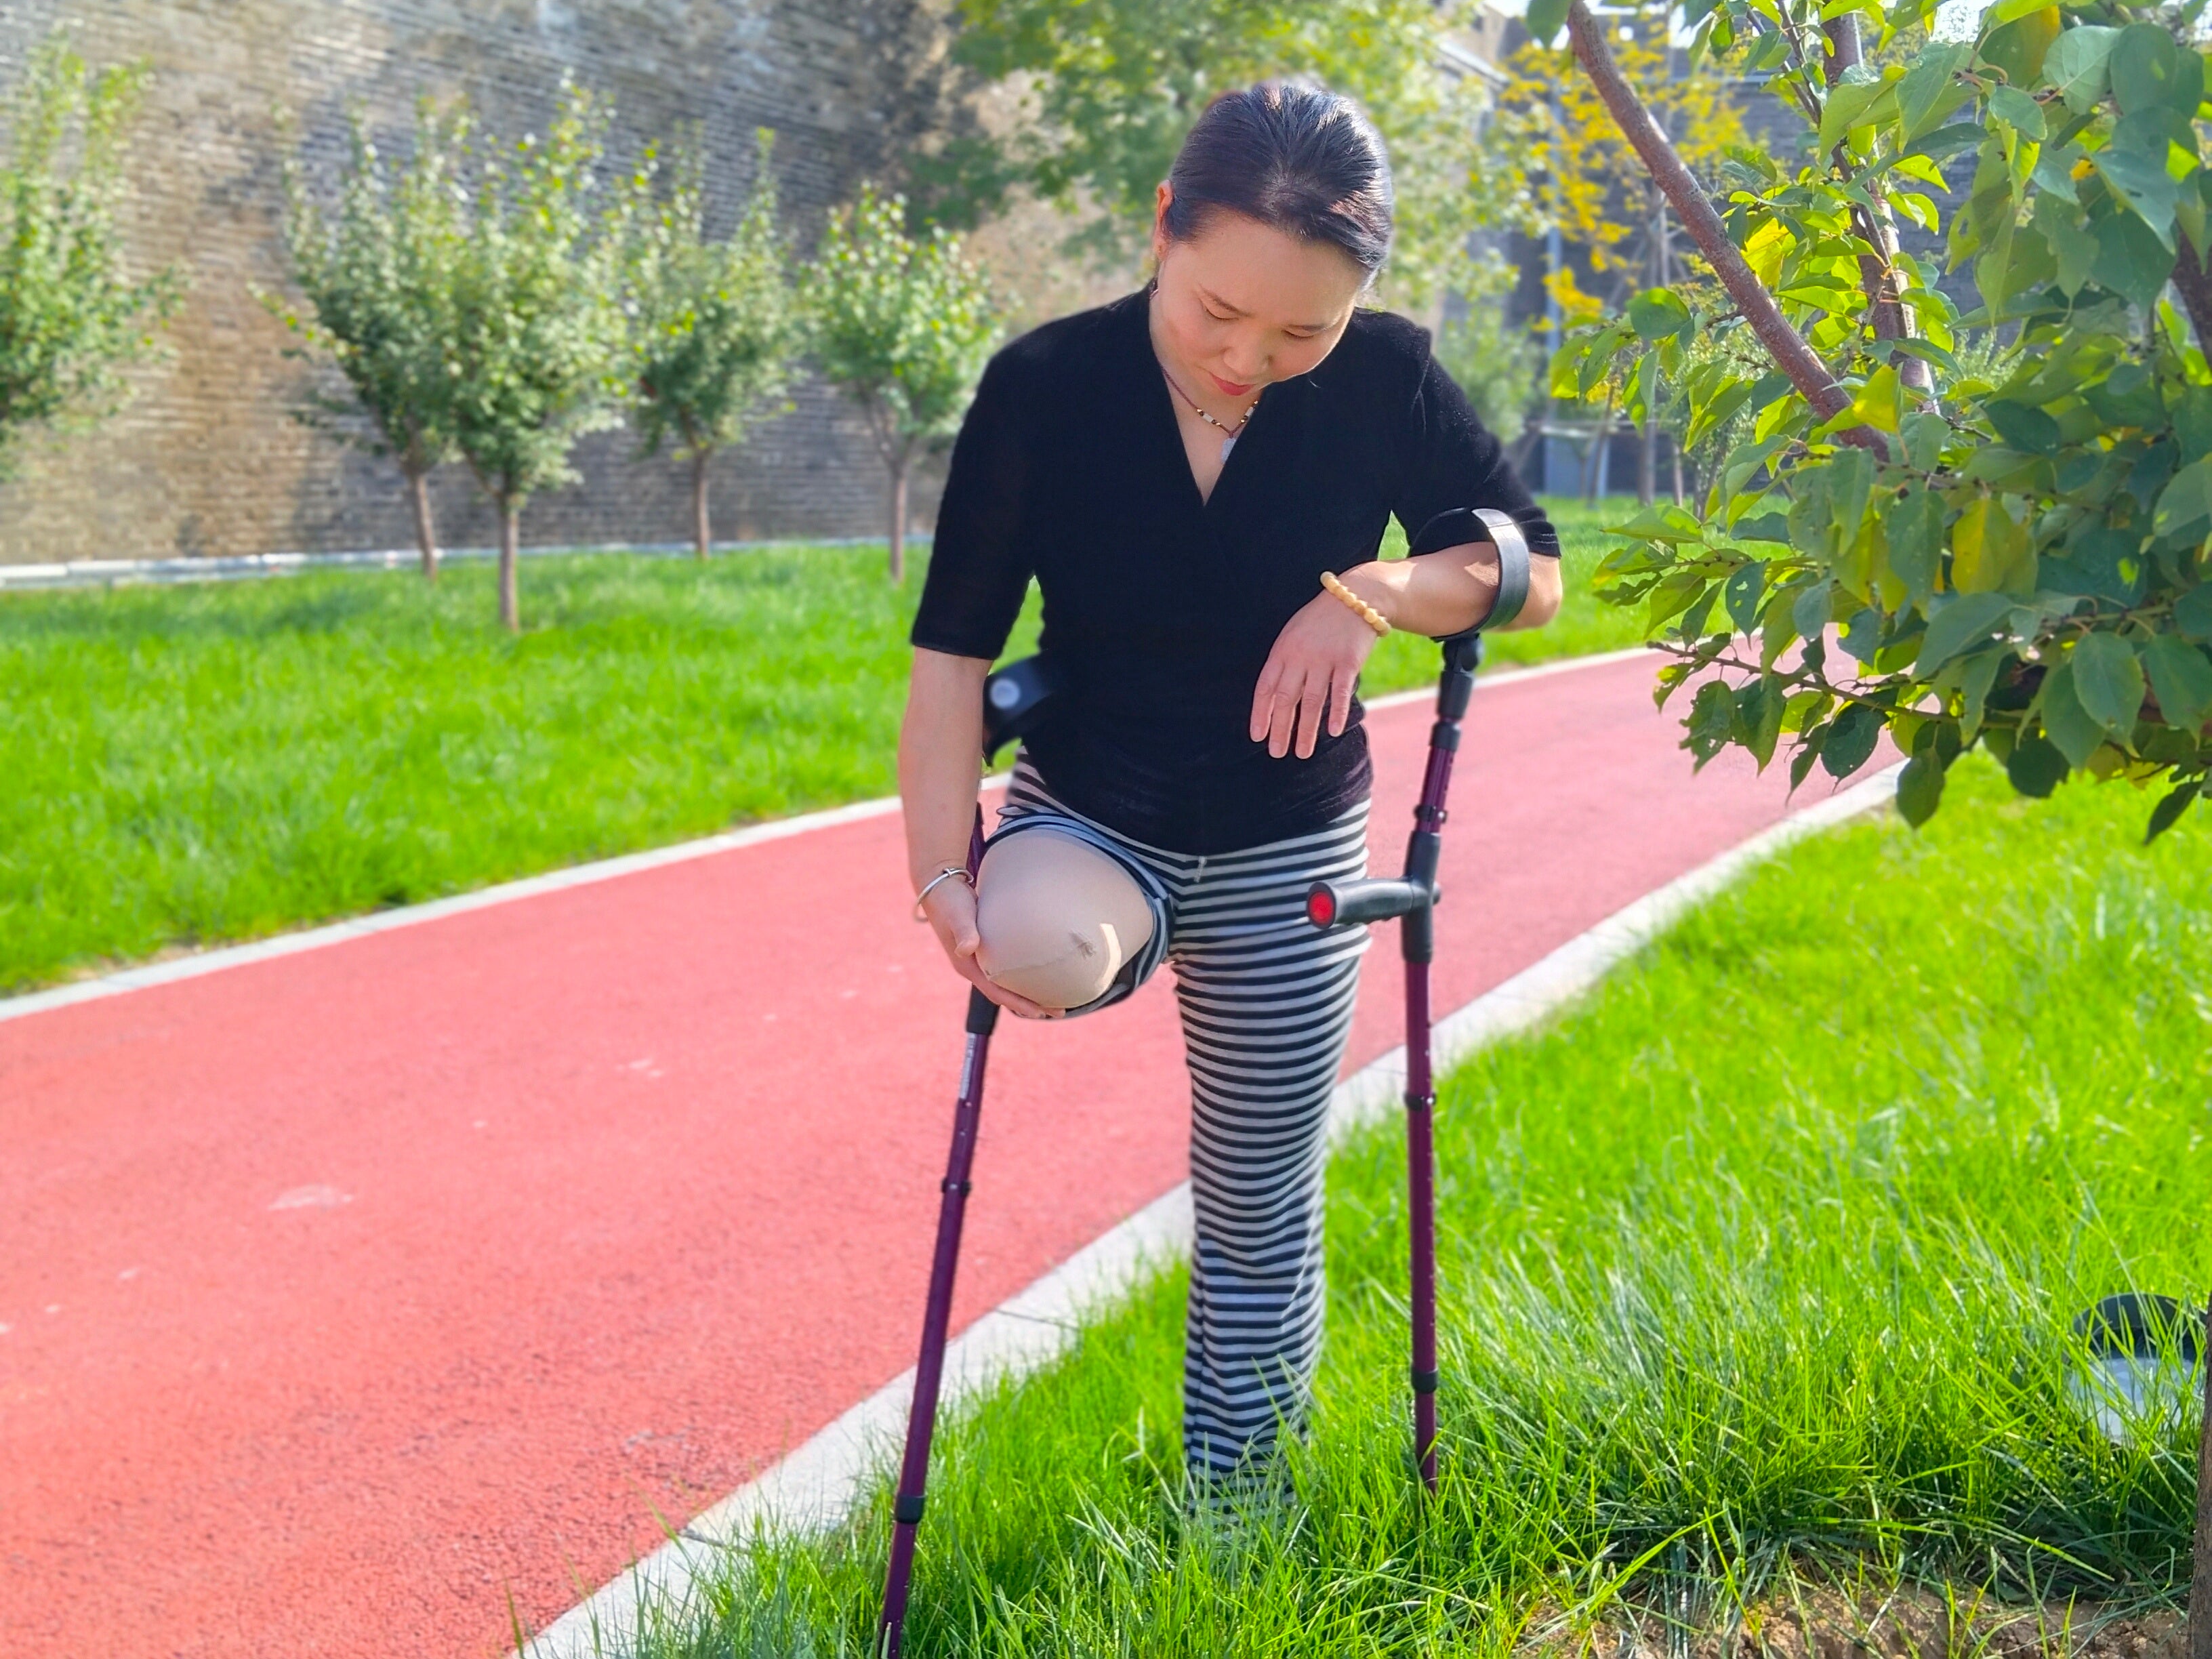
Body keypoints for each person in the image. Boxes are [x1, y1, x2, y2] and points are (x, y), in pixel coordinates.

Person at [898, 80, 1562, 1502]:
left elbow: (1529, 567)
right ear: (1162, 228)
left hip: (1292, 844)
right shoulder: (1046, 385)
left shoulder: (1386, 377)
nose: (1250, 358)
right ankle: (1098, 938)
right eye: (1218, 314)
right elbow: (951, 656)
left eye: (1299, 333)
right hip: (1096, 816)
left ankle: (1236, 1526)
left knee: (1261, 1204)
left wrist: (1375, 594)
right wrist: (942, 877)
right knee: (1037, 948)